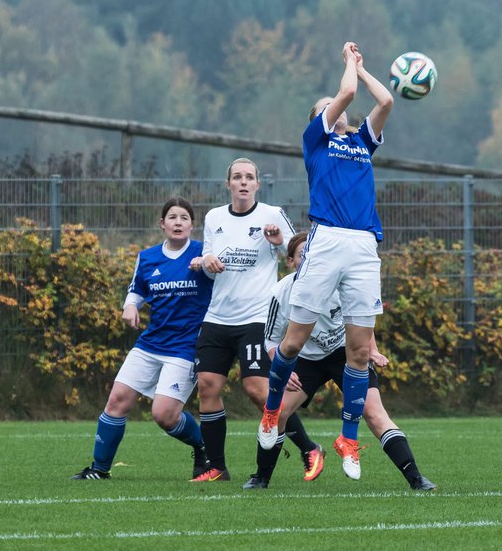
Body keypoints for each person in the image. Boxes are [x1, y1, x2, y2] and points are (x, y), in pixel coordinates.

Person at [257, 40, 394, 480]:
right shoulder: (316, 141)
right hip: (328, 239)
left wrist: (362, 65)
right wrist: (348, 65)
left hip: (364, 246)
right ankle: (271, 410)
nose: (336, 110)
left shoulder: (361, 144)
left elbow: (386, 99)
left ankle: (348, 439)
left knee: (358, 351)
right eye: (327, 108)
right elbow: (348, 95)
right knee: (293, 343)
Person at [244, 234, 435, 490]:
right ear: (290, 262)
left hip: (344, 354)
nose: (308, 260)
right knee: (278, 414)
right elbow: (271, 341)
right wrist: (282, 367)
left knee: (375, 414)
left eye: (312, 255)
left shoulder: (340, 286)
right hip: (306, 361)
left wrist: (373, 350)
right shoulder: (282, 293)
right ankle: (261, 478)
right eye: (302, 255)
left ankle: (416, 479)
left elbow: (361, 321)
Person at [192, 157, 323, 483]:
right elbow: (208, 260)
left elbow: (299, 255)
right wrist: (207, 260)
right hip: (217, 317)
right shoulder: (214, 217)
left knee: (256, 389)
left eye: (249, 177)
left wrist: (279, 242)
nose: (243, 182)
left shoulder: (272, 215)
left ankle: (308, 448)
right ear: (228, 184)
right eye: (237, 177)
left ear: (257, 184)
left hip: (256, 318)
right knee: (207, 387)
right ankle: (217, 468)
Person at [72, 196, 215, 481]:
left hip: (185, 347)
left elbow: (223, 278)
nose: (178, 222)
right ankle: (99, 470)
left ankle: (202, 447)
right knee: (117, 400)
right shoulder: (148, 257)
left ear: (192, 225)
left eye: (184, 218)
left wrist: (208, 264)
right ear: (162, 224)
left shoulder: (204, 254)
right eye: (172, 217)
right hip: (150, 343)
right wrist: (130, 306)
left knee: (163, 414)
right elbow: (136, 290)